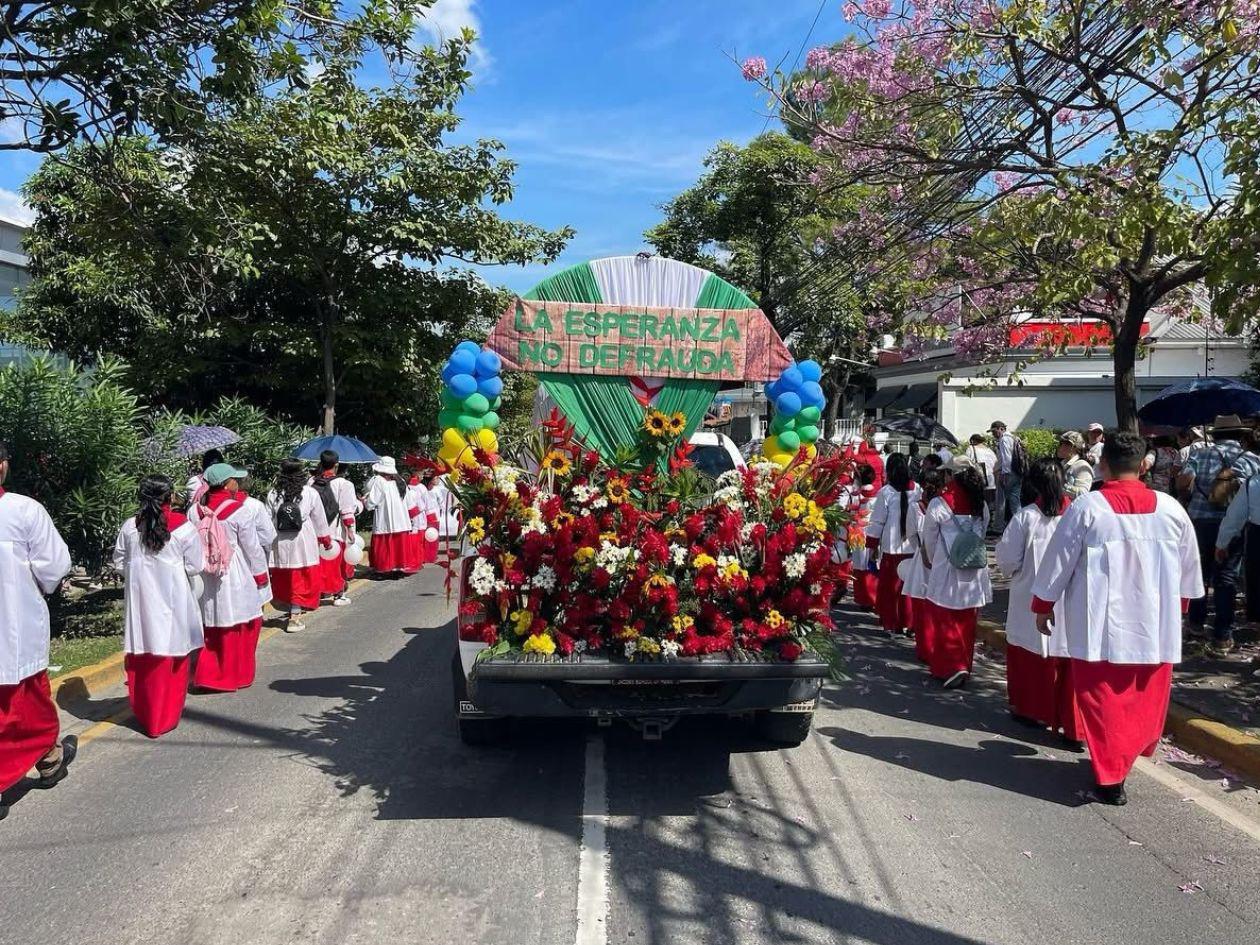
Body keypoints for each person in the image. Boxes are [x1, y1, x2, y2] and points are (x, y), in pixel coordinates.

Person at [1031, 430, 1203, 805]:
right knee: (1143, 696)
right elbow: (1190, 568)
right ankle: (1119, 763)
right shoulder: (1172, 509)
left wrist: (1043, 604)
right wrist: (1182, 610)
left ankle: (1111, 773)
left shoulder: (1087, 507)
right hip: (1154, 624)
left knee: (1102, 697)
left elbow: (1059, 560)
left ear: (1102, 463)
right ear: (1144, 465)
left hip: (1100, 625)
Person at [0, 441, 73, 820]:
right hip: (14, 621)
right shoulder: (23, 510)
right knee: (28, 696)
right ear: (3, 466)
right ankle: (46, 759)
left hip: (14, 624)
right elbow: (54, 564)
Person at [994, 458, 1079, 746]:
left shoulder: (1026, 517)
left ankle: (1032, 710)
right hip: (1070, 598)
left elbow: (1006, 560)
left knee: (1029, 653)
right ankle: (1069, 718)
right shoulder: (1078, 514)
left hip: (1029, 594)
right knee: (1068, 658)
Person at [111, 475, 204, 738]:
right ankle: (165, 716)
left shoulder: (130, 526)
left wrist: (138, 574)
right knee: (172, 657)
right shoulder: (183, 527)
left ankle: (147, 715)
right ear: (170, 496)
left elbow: (119, 562)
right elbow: (195, 565)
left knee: (144, 658)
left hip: (141, 605)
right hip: (173, 603)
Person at [1176, 414, 1260, 655]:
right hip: (1235, 523)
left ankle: (1195, 629)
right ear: (1239, 434)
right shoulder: (1252, 459)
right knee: (1226, 577)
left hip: (1200, 521)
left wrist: (1190, 490)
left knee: (1198, 574)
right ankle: (1222, 636)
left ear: (1216, 435)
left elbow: (1184, 482)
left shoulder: (1199, 454)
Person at [192, 462, 270, 691]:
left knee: (212, 624)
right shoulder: (239, 510)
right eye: (235, 479)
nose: (238, 482)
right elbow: (252, 548)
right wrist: (260, 576)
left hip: (206, 574)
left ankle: (210, 674)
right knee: (241, 622)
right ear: (227, 483)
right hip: (234, 572)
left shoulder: (194, 510)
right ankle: (238, 675)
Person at [920, 454, 992, 688]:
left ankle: (951, 666)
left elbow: (929, 538)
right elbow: (984, 530)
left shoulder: (939, 503)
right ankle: (963, 665)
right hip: (974, 566)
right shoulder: (980, 502)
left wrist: (930, 560)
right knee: (967, 620)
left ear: (951, 475)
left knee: (946, 619)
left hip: (948, 566)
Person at [267, 458, 333, 632]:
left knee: (285, 575)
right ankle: (294, 616)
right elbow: (319, 519)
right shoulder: (310, 493)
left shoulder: (274, 493)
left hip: (280, 539)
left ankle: (288, 605)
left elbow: (268, 519)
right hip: (302, 539)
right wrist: (325, 539)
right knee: (300, 577)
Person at [866, 453, 921, 633]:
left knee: (890, 589)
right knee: (910, 587)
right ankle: (911, 622)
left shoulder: (886, 492)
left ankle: (892, 622)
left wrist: (872, 546)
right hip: (913, 548)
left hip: (892, 548)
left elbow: (877, 522)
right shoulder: (918, 489)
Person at [902, 469, 945, 663]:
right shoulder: (945, 507)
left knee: (922, 610)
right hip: (942, 561)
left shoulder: (915, 507)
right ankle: (936, 648)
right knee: (937, 608)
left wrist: (920, 550)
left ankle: (925, 649)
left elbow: (911, 534)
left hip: (922, 560)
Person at [309, 450, 359, 606]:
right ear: (336, 464)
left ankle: (320, 591)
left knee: (319, 563)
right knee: (336, 564)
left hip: (315, 530)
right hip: (335, 530)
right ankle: (338, 594)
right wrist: (350, 531)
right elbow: (347, 511)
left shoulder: (311, 482)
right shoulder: (344, 484)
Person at [1218, 455, 1260, 626]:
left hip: (1258, 537)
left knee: (1258, 582)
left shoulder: (1253, 483)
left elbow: (1234, 518)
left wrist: (1222, 543)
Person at [363, 456, 420, 575]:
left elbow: (371, 502)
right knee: (399, 546)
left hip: (385, 520)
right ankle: (398, 567)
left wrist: (364, 501)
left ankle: (384, 568)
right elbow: (410, 504)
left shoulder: (379, 481)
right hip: (402, 521)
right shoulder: (401, 481)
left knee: (385, 545)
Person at [850, 464, 880, 611]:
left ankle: (863, 598)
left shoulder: (856, 496)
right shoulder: (879, 495)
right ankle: (873, 597)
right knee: (871, 565)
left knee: (859, 566)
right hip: (874, 533)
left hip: (859, 533)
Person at [989, 420, 1022, 529]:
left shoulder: (1004, 439)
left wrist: (1004, 474)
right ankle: (1020, 525)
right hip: (1018, 472)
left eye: (994, 431)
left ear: (1001, 429)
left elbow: (1007, 458)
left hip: (1008, 473)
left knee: (1001, 501)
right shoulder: (1014, 438)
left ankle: (999, 527)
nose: (993, 434)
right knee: (1014, 501)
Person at [966, 434, 999, 529]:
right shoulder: (990, 451)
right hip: (991, 479)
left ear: (972, 441)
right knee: (990, 504)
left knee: (979, 502)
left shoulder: (971, 449)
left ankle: (980, 524)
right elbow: (996, 464)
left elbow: (967, 463)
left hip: (979, 480)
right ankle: (990, 524)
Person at [1057, 431, 1094, 501]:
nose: (1061, 446)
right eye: (1061, 443)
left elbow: (1083, 493)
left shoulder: (1082, 466)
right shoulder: (1062, 463)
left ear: (1076, 448)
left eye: (1066, 444)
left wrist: (1060, 486)